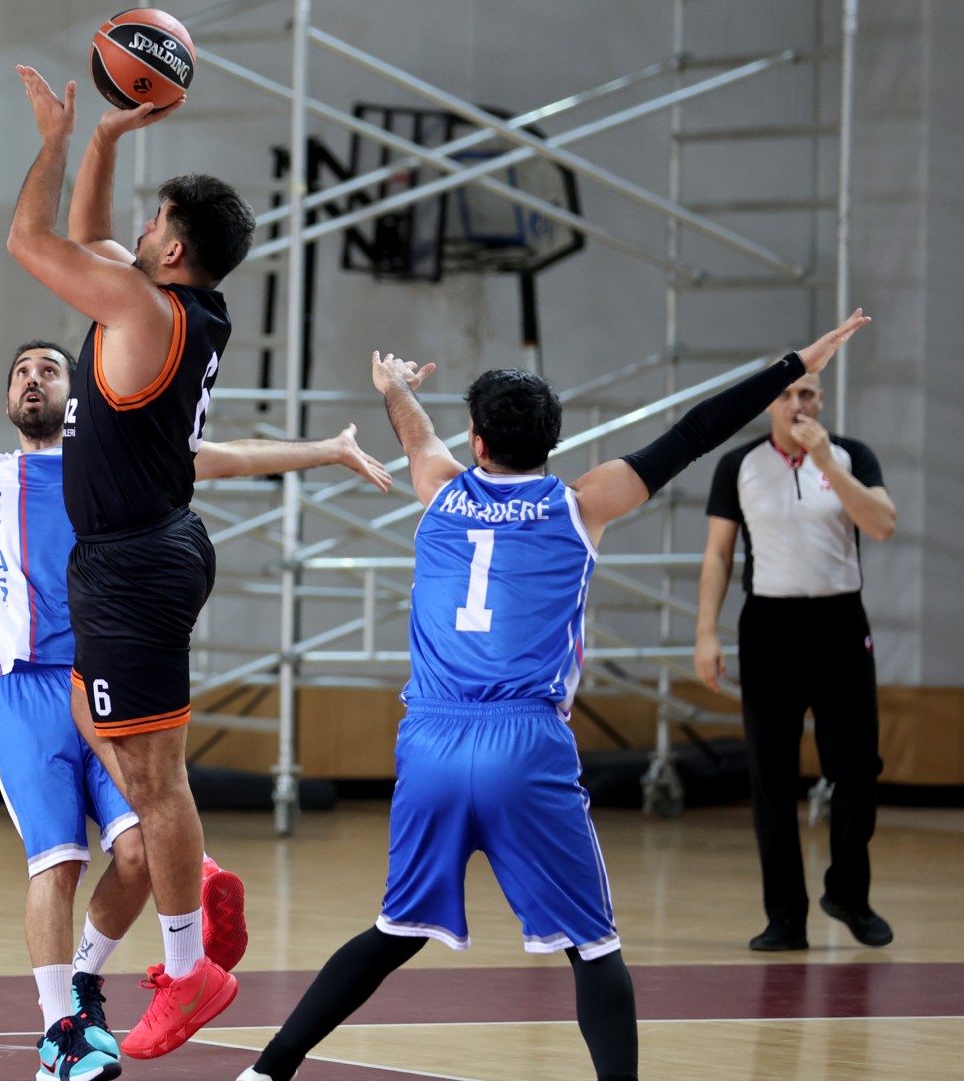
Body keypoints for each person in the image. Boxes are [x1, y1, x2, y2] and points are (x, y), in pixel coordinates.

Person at [236, 312, 871, 1081]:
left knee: (394, 929)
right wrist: (795, 363)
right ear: (553, 441)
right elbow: (696, 432)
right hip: (523, 742)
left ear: (477, 442)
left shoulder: (440, 492)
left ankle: (267, 1070)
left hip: (430, 740)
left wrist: (395, 387)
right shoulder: (581, 502)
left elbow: (416, 437)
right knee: (594, 947)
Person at [0, 339, 392, 1081]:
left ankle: (85, 985)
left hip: (103, 679)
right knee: (58, 862)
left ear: (77, 396)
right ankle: (58, 1032)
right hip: (23, 691)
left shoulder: (115, 464)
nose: (33, 378)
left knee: (139, 853)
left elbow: (225, 458)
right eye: (21, 371)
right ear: (8, 398)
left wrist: (327, 449)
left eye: (49, 369)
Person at [8, 68, 257, 1059]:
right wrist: (104, 139)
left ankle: (189, 967)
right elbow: (91, 236)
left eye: (154, 223)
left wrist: (53, 140)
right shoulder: (175, 304)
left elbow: (33, 241)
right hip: (143, 550)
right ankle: (186, 876)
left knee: (154, 781)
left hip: (133, 563)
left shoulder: (143, 310)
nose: (139, 231)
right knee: (103, 725)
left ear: (175, 248)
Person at [694, 363, 898, 952]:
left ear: (821, 400)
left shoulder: (853, 456)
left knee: (856, 770)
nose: (796, 404)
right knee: (772, 778)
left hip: (840, 625)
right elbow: (718, 555)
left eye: (806, 393)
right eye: (785, 394)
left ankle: (849, 894)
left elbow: (882, 525)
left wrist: (828, 463)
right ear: (769, 404)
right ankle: (784, 917)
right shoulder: (738, 465)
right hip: (769, 628)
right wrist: (706, 632)